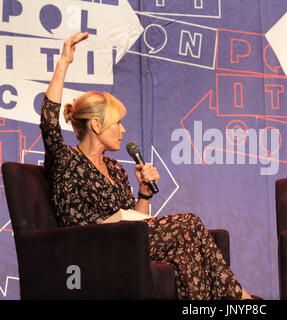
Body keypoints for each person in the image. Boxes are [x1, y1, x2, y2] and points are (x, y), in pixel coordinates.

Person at [40, 31, 256, 300]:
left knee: (184, 251)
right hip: (88, 248)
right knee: (188, 223)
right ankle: (242, 299)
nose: (123, 129)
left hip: (123, 242)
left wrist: (144, 192)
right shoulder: (66, 160)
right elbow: (49, 121)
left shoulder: (115, 168)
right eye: (117, 122)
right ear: (96, 125)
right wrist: (63, 63)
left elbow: (135, 221)